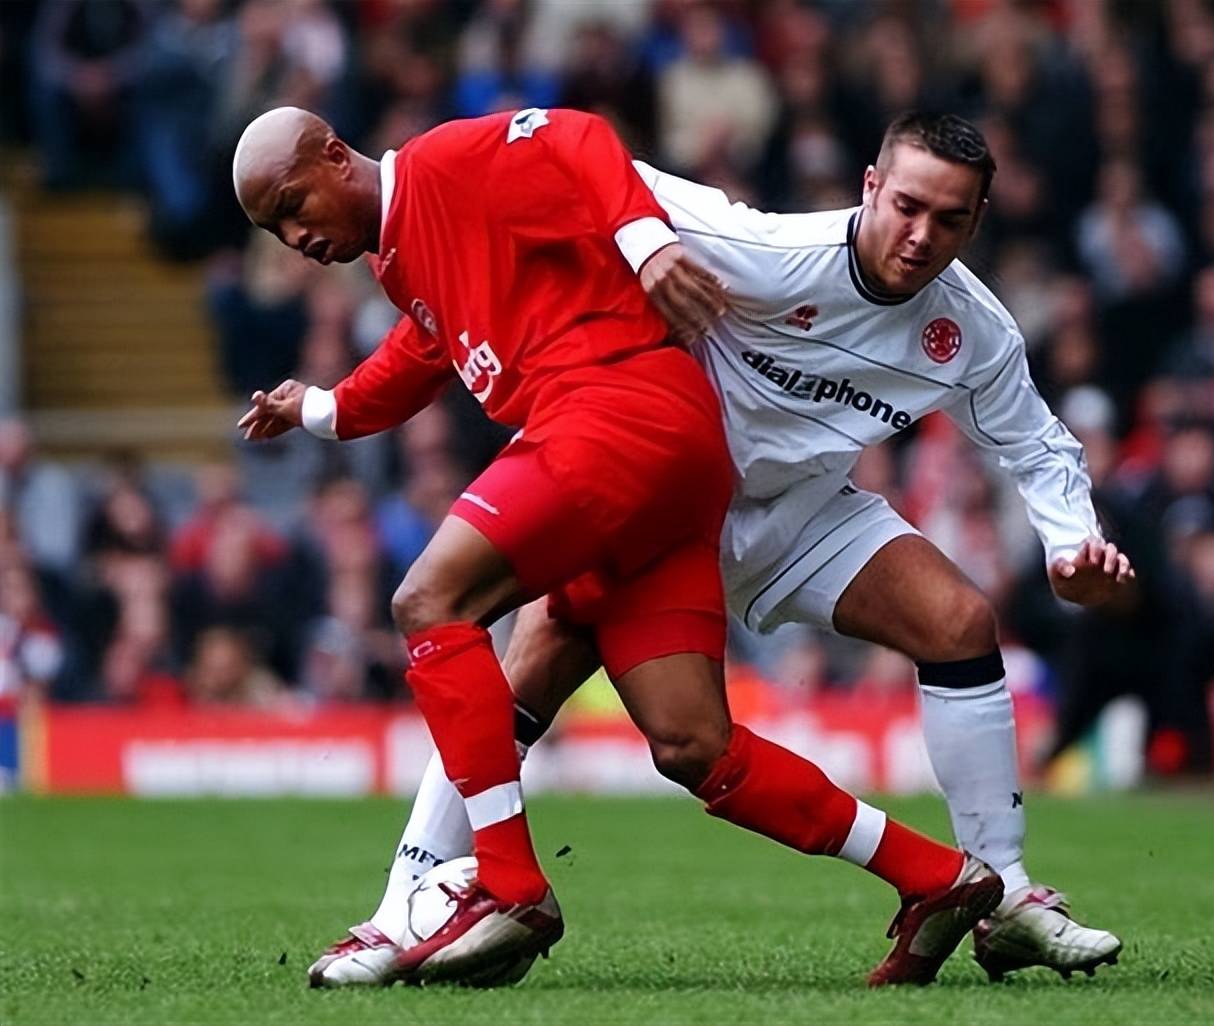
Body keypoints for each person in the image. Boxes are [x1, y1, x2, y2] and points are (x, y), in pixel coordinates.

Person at [306, 111, 1134, 989]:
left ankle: (1002, 894)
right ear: (870, 187)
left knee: (959, 621)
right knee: (528, 674)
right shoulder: (761, 250)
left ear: (977, 221)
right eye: (907, 206)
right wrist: (640, 247)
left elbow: (1037, 445)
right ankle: (402, 906)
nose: (922, 235)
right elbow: (601, 171)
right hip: (655, 489)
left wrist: (1071, 544)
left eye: (950, 219)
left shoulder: (974, 330)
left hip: (800, 515)